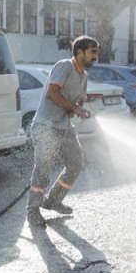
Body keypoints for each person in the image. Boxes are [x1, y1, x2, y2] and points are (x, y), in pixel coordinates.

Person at [26, 35, 99, 229]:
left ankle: (53, 200)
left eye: (96, 52)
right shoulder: (65, 66)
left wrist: (79, 106)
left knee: (76, 163)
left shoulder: (84, 75)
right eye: (92, 52)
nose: (95, 56)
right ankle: (33, 211)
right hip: (46, 126)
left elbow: (72, 103)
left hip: (64, 127)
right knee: (43, 167)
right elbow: (52, 93)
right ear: (80, 52)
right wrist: (75, 108)